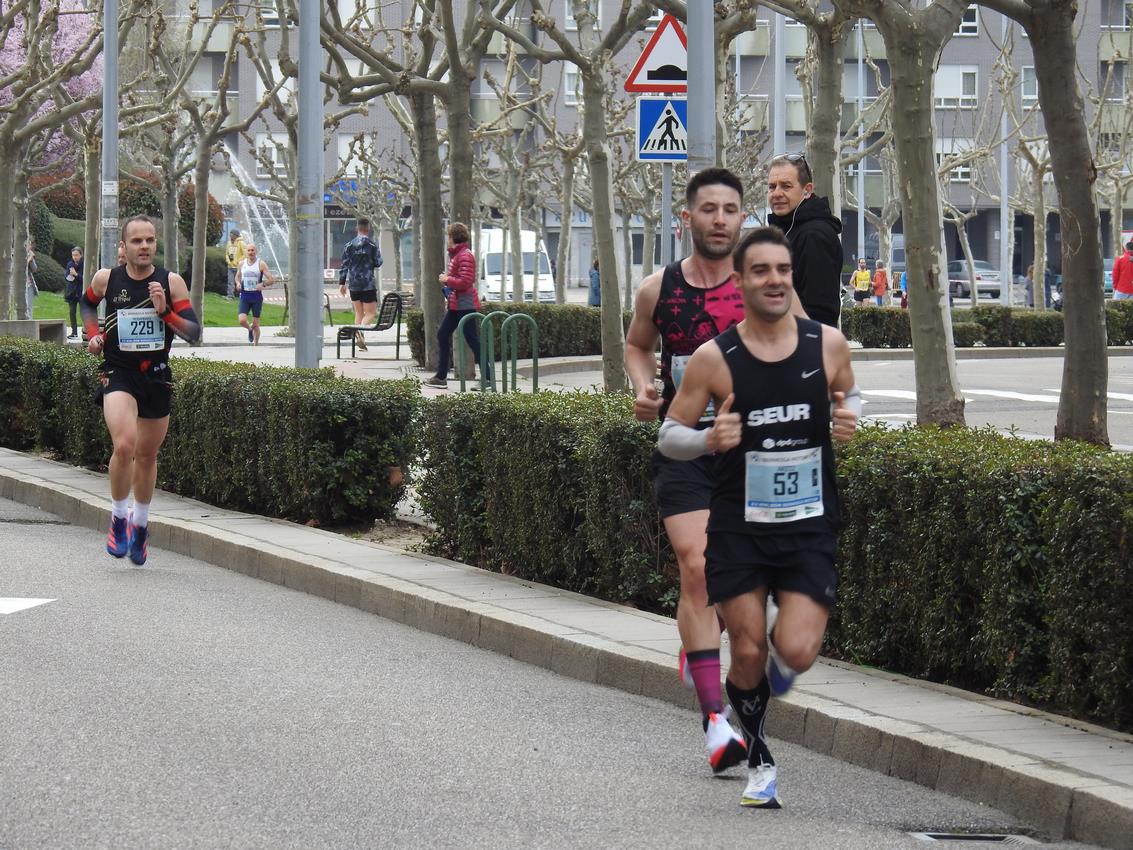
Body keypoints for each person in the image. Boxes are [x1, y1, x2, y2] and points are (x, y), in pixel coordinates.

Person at [657, 225, 859, 809]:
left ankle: (770, 635)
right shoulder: (714, 359)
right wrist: (707, 440)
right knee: (747, 654)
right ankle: (759, 752)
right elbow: (671, 434)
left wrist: (849, 420)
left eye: (783, 270)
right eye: (762, 271)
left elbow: (850, 394)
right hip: (740, 527)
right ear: (740, 281)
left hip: (807, 525)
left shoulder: (827, 344)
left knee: (794, 652)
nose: (775, 280)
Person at [626, 167, 806, 775]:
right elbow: (637, 345)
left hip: (756, 456)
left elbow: (803, 347)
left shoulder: (766, 284)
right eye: (710, 209)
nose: (721, 219)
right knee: (697, 567)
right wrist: (644, 385)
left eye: (732, 209)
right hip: (687, 446)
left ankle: (713, 659)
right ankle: (714, 724)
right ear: (689, 217)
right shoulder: (660, 288)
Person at [79, 215, 201, 566]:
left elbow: (194, 332)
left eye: (150, 240)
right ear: (125, 246)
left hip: (156, 375)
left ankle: (141, 527)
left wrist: (165, 313)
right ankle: (119, 517)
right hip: (118, 371)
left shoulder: (170, 282)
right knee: (124, 444)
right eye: (137, 241)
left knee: (147, 456)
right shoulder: (108, 278)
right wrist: (93, 336)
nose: (144, 246)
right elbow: (87, 304)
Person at [766, 152, 843, 327]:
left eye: (786, 186)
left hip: (803, 347)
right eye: (772, 187)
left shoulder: (815, 236)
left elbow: (820, 311)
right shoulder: (786, 230)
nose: (776, 193)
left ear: (807, 190)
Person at [424, 222, 486, 389]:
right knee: (443, 334)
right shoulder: (458, 255)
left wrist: (447, 280)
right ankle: (441, 376)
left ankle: (487, 378)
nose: (447, 239)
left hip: (464, 304)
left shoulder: (464, 255)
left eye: (448, 236)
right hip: (456, 304)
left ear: (453, 237)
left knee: (472, 340)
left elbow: (466, 281)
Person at [339, 218, 383, 352]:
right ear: (368, 228)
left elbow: (344, 265)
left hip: (354, 284)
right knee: (370, 313)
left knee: (359, 312)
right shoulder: (372, 245)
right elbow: (379, 262)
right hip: (368, 283)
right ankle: (359, 331)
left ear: (357, 228)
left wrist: (342, 283)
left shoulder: (348, 245)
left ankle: (360, 338)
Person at [236, 243, 274, 345]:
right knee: (242, 320)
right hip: (245, 296)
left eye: (252, 250)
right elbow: (237, 276)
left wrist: (263, 284)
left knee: (256, 324)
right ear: (246, 252)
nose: (250, 252)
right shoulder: (241, 264)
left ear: (256, 251)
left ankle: (256, 344)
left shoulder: (260, 264)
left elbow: (271, 279)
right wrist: (238, 283)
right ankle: (249, 329)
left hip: (256, 297)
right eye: (248, 250)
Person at [64, 247, 84, 338]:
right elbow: (67, 278)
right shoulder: (70, 264)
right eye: (73, 255)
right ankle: (74, 332)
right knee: (72, 312)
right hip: (71, 292)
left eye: (76, 255)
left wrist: (76, 275)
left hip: (81, 291)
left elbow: (85, 278)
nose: (75, 257)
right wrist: (70, 275)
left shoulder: (84, 264)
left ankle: (87, 331)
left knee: (84, 312)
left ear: (81, 255)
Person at [224, 229, 246, 299]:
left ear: (236, 235)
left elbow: (245, 254)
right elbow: (227, 253)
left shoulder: (241, 243)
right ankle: (230, 295)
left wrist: (238, 261)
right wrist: (228, 260)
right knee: (230, 282)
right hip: (230, 266)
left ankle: (242, 296)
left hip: (238, 267)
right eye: (230, 234)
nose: (230, 235)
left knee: (240, 282)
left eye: (232, 234)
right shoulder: (229, 243)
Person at [25, 249, 38, 319]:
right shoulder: (13, 253)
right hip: (18, 286)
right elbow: (20, 267)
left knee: (29, 307)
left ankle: (30, 326)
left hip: (29, 285)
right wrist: (29, 259)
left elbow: (34, 269)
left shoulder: (29, 255)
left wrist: (31, 260)